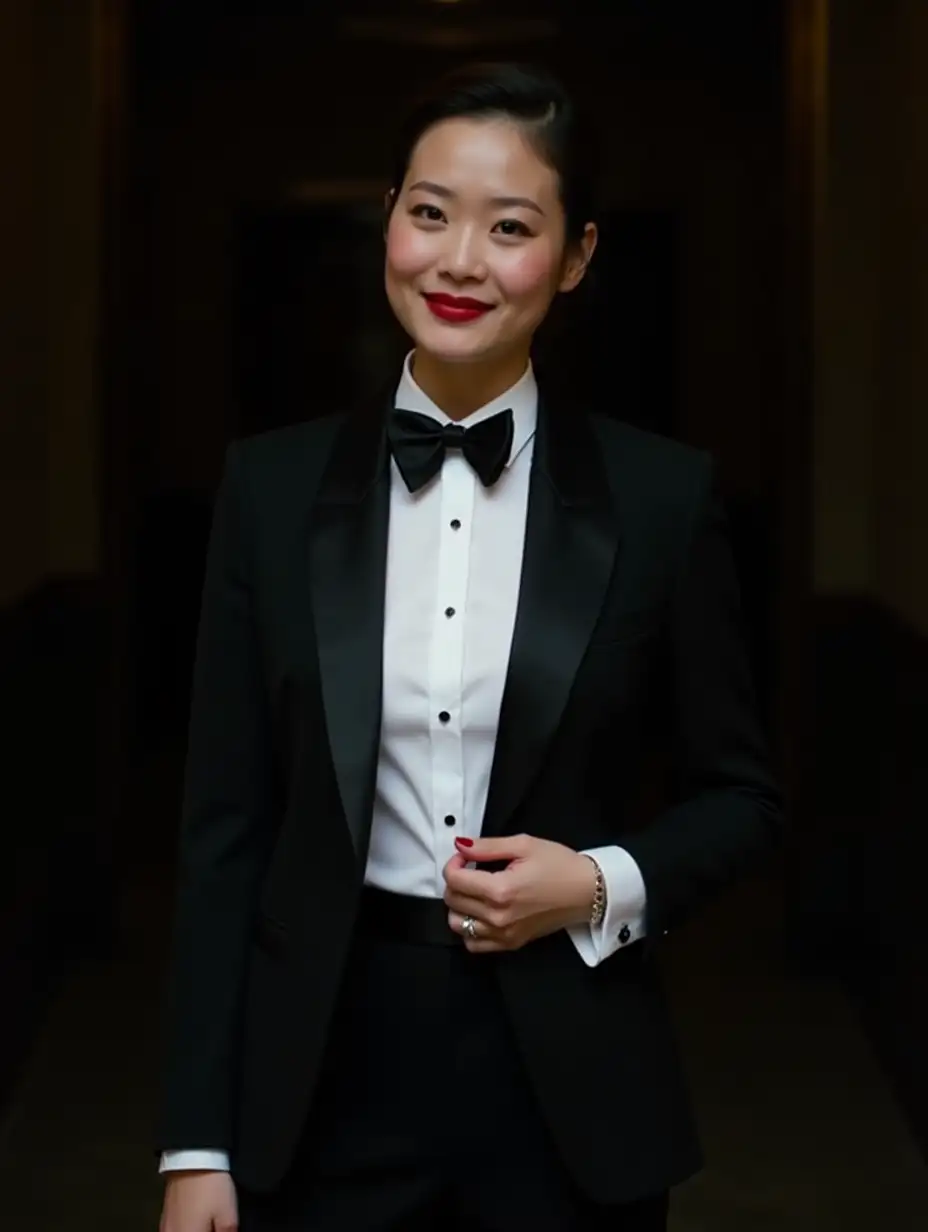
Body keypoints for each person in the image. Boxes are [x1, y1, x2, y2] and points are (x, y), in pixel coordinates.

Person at [156, 61, 782, 1232]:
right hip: (321, 1076)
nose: (457, 261)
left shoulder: (662, 499)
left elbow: (741, 797)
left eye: (510, 228)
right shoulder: (271, 490)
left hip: (569, 1085)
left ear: (578, 255)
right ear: (387, 216)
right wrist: (195, 1140)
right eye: (428, 212)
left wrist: (598, 881)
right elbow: (223, 832)